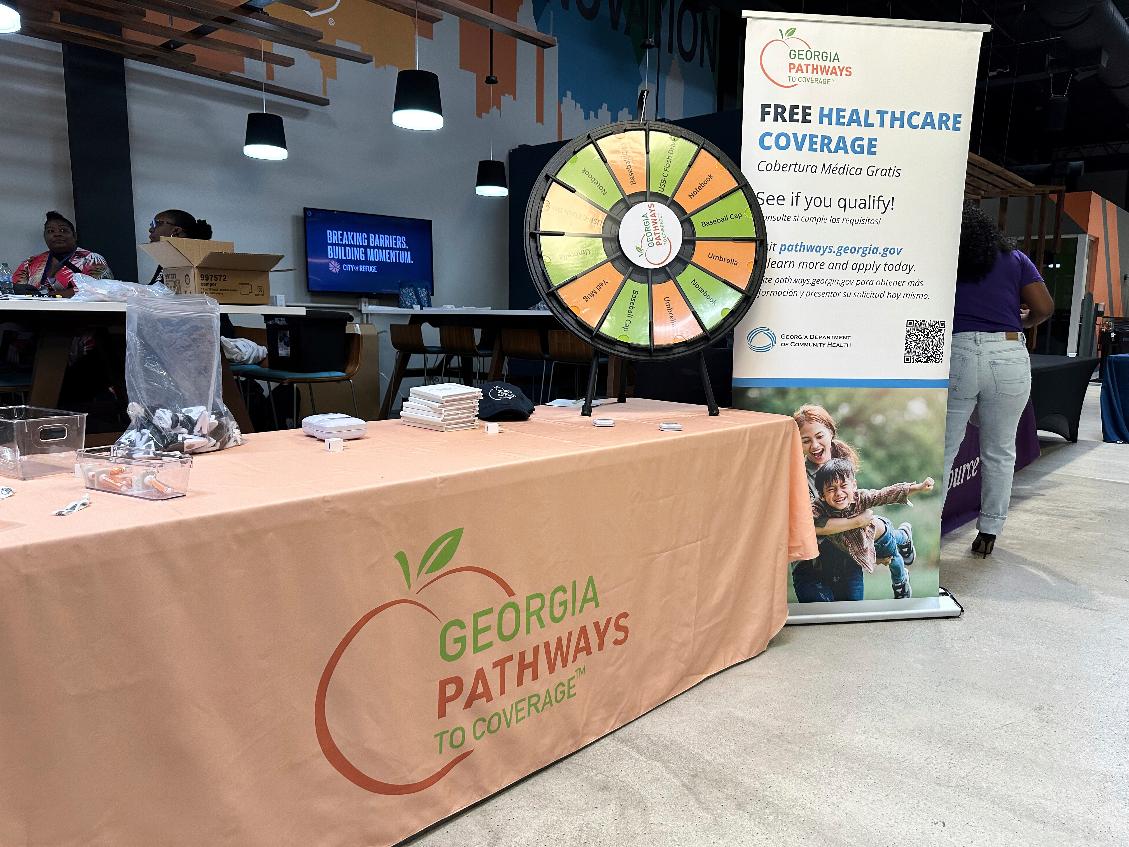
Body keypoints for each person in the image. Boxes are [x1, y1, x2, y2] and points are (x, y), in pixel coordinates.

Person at [943, 203, 1054, 557]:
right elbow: (1045, 307)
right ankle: (989, 531)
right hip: (1007, 353)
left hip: (955, 351)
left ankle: (923, 532)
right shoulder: (1016, 259)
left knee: (943, 450)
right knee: (1000, 451)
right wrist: (1021, 322)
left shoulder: (943, 256)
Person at [792, 404, 918, 601]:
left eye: (819, 436)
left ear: (831, 433)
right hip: (812, 562)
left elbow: (873, 497)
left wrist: (911, 488)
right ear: (797, 444)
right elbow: (807, 526)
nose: (814, 446)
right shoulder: (796, 475)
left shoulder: (842, 465)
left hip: (845, 558)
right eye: (806, 440)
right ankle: (902, 540)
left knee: (877, 526)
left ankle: (901, 546)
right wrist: (858, 522)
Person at [812, 458, 934, 578]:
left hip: (881, 532)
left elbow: (885, 494)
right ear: (822, 495)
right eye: (831, 489)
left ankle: (901, 577)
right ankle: (904, 537)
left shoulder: (860, 498)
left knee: (893, 554)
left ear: (854, 486)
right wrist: (876, 560)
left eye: (843, 486)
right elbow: (806, 519)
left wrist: (918, 487)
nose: (838, 493)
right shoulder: (821, 509)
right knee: (888, 557)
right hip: (868, 543)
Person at [11, 211, 112, 296]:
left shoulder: (92, 259)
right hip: (33, 314)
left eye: (63, 230)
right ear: (45, 236)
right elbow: (13, 290)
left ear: (75, 236)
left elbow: (101, 290)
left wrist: (54, 295)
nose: (57, 234)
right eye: (50, 231)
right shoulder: (30, 263)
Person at [146, 210, 213, 285]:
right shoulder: (170, 257)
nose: (151, 229)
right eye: (151, 224)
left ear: (176, 230)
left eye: (157, 223)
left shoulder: (191, 259)